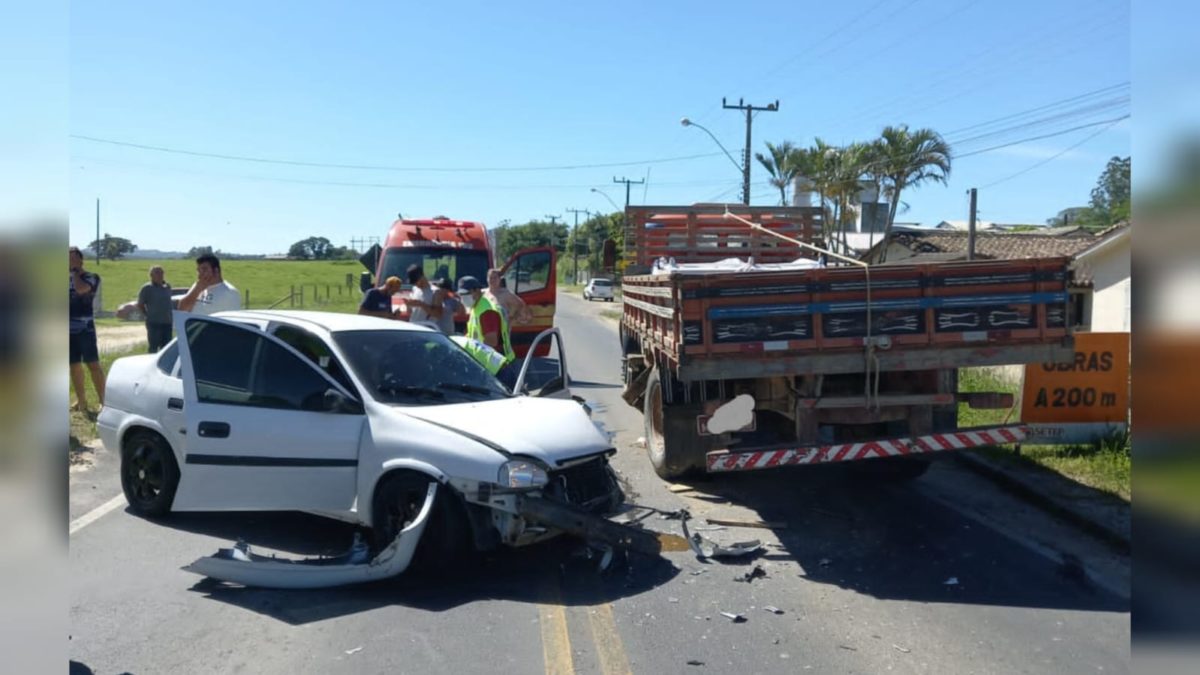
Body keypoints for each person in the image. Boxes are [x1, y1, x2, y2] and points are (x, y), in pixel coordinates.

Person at [457, 275, 517, 388]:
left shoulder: (487, 311)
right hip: (491, 363)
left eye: (465, 294)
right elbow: (473, 335)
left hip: (499, 366)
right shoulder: (477, 307)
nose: (462, 298)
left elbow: (492, 341)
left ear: (476, 290)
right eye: (460, 295)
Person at [69, 246, 105, 412]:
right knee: (74, 365)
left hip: (86, 329)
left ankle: (104, 401)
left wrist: (75, 272)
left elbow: (81, 289)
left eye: (74, 258)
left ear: (81, 260)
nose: (70, 261)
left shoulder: (91, 277)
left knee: (93, 365)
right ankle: (81, 401)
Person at [137, 265, 174, 352]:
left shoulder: (167, 287)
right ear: (151, 275)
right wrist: (147, 315)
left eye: (161, 272)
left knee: (166, 349)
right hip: (154, 323)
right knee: (153, 347)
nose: (160, 275)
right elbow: (140, 304)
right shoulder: (147, 288)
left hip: (167, 323)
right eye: (157, 272)